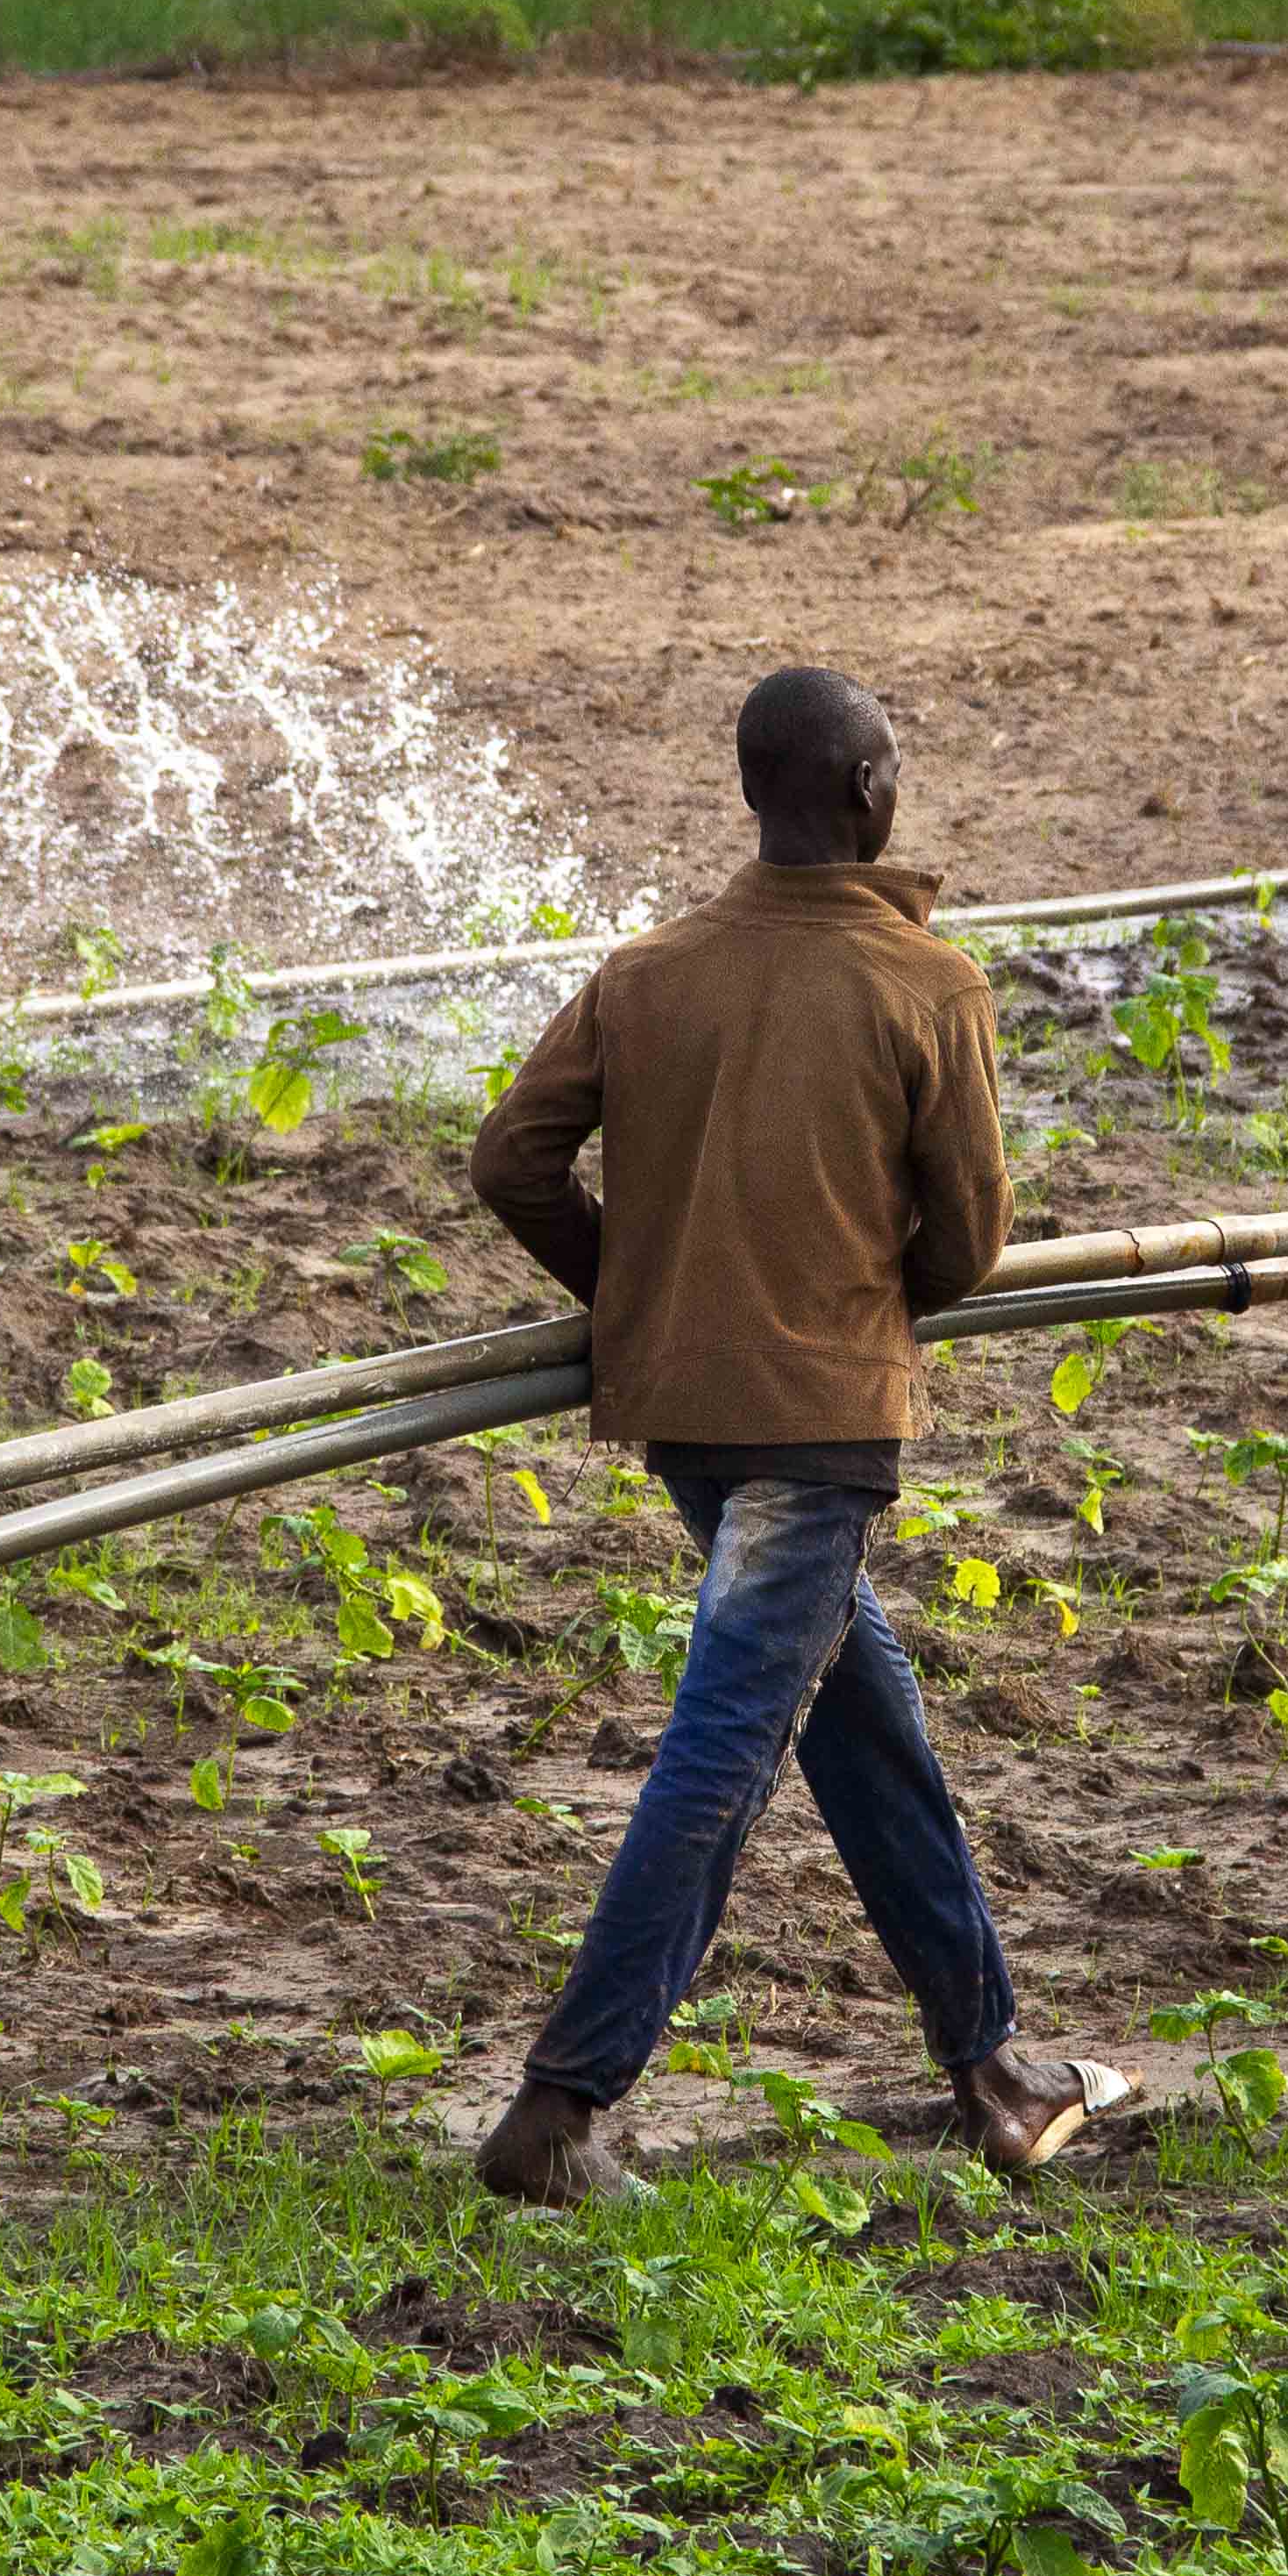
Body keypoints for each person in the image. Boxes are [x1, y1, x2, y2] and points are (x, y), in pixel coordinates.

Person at [462, 666, 1135, 2208]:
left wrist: (637, 1293)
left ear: (754, 792)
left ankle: (993, 2065)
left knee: (859, 1720)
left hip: (685, 1417)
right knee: (727, 1749)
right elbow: (966, 1245)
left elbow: (512, 1160)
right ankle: (558, 2108)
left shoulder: (647, 971)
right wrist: (847, 1296)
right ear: (869, 791)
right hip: (817, 1422)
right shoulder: (927, 984)